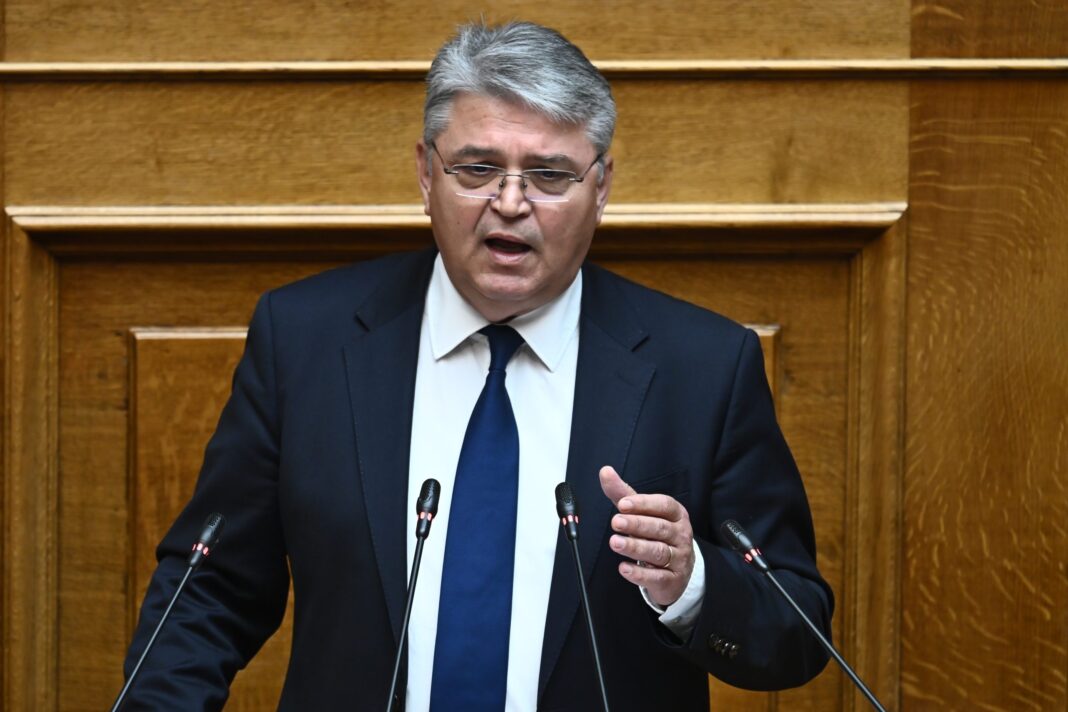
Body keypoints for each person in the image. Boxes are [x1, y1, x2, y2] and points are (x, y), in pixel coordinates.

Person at [122, 20, 833, 711]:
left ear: (601, 187)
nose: (511, 203)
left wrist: (692, 583)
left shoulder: (703, 367)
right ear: (425, 173)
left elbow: (796, 630)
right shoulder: (305, 342)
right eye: (478, 168)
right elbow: (209, 589)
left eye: (550, 175)